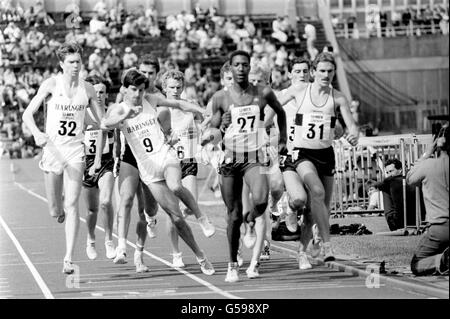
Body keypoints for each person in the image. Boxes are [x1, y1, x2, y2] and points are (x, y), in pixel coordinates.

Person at [102, 68, 215, 275]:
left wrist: (200, 110)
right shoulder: (118, 109)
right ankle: (200, 255)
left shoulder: (151, 100)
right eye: (134, 90)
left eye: (141, 90)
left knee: (176, 185)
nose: (138, 94)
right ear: (125, 89)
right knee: (176, 217)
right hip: (147, 168)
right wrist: (126, 115)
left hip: (164, 155)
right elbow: (105, 123)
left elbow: (179, 103)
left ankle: (201, 217)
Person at [21, 42, 104, 274]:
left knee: (72, 204)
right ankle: (58, 213)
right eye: (71, 62)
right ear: (61, 64)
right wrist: (37, 133)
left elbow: (102, 121)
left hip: (75, 151)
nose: (76, 66)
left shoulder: (87, 89)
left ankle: (68, 258)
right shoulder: (51, 84)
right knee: (56, 209)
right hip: (52, 150)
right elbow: (27, 114)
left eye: (78, 61)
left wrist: (124, 115)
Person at [209, 50, 287, 282]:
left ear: (249, 67)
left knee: (262, 201)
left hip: (254, 156)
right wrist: (219, 127)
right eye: (237, 65)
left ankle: (251, 220)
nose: (241, 68)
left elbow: (281, 112)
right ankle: (233, 264)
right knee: (232, 215)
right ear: (230, 69)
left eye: (245, 64)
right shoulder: (220, 98)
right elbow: (212, 129)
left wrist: (283, 139)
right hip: (231, 158)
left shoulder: (263, 92)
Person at [277, 52, 359, 262]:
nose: (325, 74)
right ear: (314, 72)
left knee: (319, 208)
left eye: (330, 71)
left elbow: (349, 126)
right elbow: (272, 106)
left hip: (325, 155)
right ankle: (323, 242)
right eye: (321, 70)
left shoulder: (337, 97)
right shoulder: (297, 91)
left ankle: (303, 250)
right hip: (299, 153)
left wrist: (353, 133)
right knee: (315, 192)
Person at [266, 57, 317, 269]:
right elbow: (266, 121)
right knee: (277, 187)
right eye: (297, 71)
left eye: (305, 71)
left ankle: (303, 251)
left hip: (313, 153)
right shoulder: (281, 97)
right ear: (290, 74)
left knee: (309, 205)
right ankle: (273, 209)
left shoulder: (317, 96)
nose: (302, 75)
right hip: (286, 152)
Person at [162, 70, 216, 267]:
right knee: (173, 211)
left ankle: (198, 218)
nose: (175, 91)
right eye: (171, 88)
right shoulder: (160, 110)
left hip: (188, 161)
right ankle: (176, 253)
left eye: (178, 87)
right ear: (164, 88)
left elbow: (204, 124)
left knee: (187, 208)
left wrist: (206, 137)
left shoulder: (189, 108)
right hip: (168, 164)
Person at [82, 75, 116, 261]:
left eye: (102, 92)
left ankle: (109, 240)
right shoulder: (83, 113)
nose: (99, 96)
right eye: (96, 93)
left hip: (106, 163)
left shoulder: (111, 113)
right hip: (87, 164)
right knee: (91, 210)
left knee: (106, 202)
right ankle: (91, 240)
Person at [407, 124, 449, 276]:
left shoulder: (429, 165)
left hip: (439, 227)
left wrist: (427, 153)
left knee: (417, 264)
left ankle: (442, 261)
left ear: (439, 143)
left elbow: (410, 178)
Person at [373, 158, 418, 231]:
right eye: (387, 173)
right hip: (417, 220)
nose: (389, 175)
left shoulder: (391, 181)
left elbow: (378, 185)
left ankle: (391, 219)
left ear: (400, 169)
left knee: (385, 189)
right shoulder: (411, 177)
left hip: (399, 223)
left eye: (391, 171)